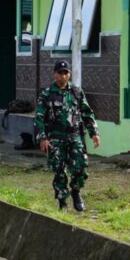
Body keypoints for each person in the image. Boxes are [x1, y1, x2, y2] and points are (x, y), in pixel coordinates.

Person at [34, 59, 100, 210]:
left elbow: (87, 113)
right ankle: (62, 201)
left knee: (81, 166)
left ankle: (76, 191)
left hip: (75, 136)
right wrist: (43, 138)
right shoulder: (46, 94)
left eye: (66, 73)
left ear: (69, 74)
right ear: (54, 74)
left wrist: (94, 133)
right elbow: (39, 117)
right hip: (56, 138)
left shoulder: (76, 92)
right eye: (60, 73)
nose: (63, 76)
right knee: (59, 170)